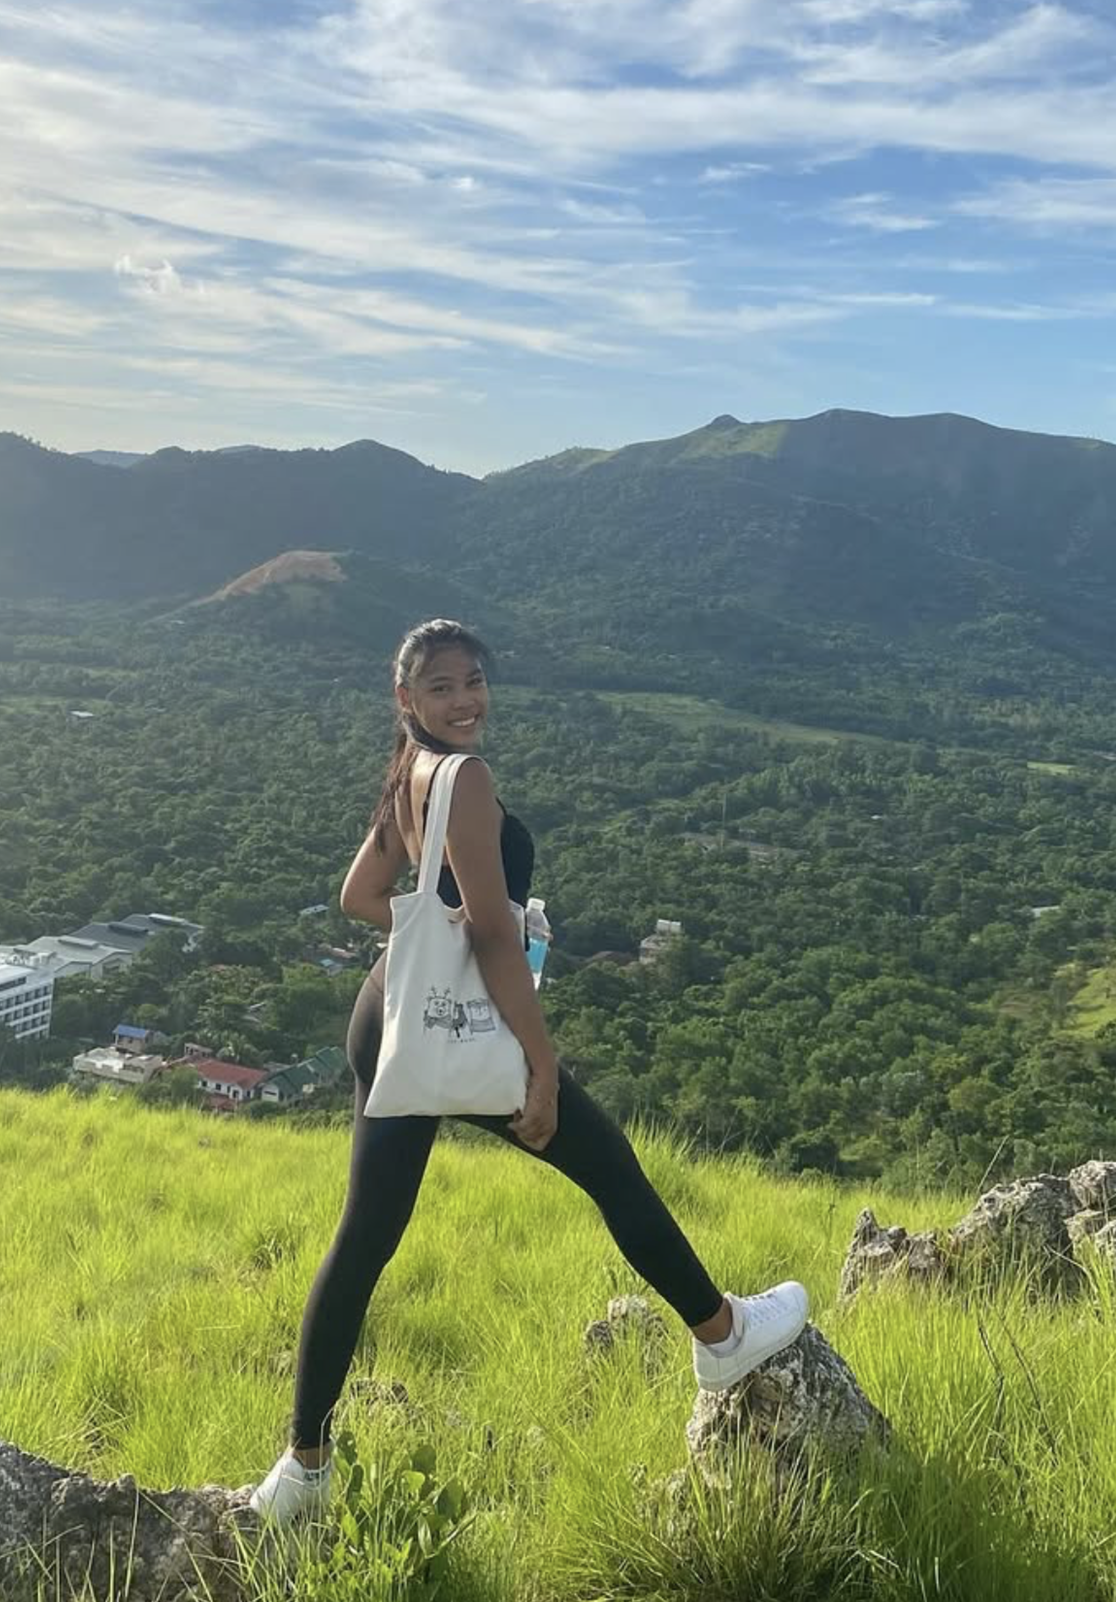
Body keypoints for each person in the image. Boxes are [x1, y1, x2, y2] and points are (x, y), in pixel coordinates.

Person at [250, 619, 809, 1526]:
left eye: (473, 681)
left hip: (386, 1016)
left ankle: (300, 1474)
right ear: (406, 696)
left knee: (364, 1239)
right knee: (610, 1166)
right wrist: (539, 1065)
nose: (464, 700)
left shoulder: (408, 768)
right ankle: (723, 1335)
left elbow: (360, 897)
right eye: (441, 687)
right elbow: (488, 936)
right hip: (448, 1026)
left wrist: (432, 930)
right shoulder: (465, 778)